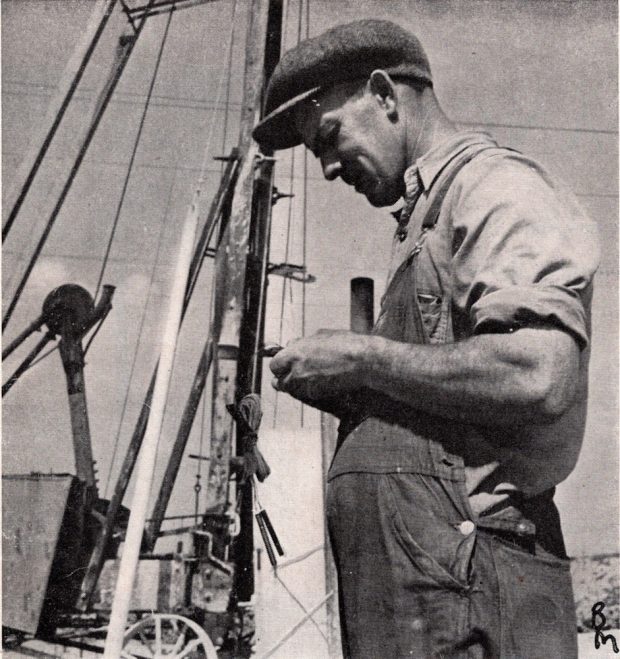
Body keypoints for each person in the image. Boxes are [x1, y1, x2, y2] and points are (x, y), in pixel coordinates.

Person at [252, 19, 599, 659]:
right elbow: (452, 404)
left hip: (468, 583)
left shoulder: (495, 186)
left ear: (385, 94)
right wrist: (354, 393)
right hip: (425, 594)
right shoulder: (425, 217)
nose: (327, 169)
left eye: (329, 138)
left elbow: (538, 375)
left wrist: (361, 355)